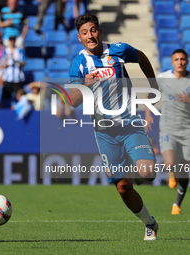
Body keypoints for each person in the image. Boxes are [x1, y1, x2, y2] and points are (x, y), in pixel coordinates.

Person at [69, 13, 159, 240]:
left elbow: (142, 57)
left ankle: (137, 163)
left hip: (129, 123)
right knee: (123, 188)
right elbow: (73, 100)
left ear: (99, 31)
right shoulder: (79, 63)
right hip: (104, 132)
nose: (90, 36)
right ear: (79, 38)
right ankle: (149, 223)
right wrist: (85, 85)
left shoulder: (118, 50)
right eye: (84, 33)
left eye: (93, 30)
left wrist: (153, 85)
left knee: (148, 173)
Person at [145, 49, 190, 215]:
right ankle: (172, 170)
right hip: (168, 128)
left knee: (185, 170)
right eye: (177, 59)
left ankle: (176, 204)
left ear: (187, 61)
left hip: (187, 130)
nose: (180, 62)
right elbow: (150, 93)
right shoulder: (163, 78)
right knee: (170, 162)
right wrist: (148, 114)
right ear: (172, 62)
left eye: (183, 59)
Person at [1, 35, 25, 107]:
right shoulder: (5, 51)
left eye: (13, 40)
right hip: (8, 78)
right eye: (10, 40)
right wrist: (8, 60)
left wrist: (16, 60)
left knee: (20, 97)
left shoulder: (20, 50)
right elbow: (3, 65)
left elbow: (24, 63)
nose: (12, 42)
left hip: (18, 78)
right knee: (6, 97)